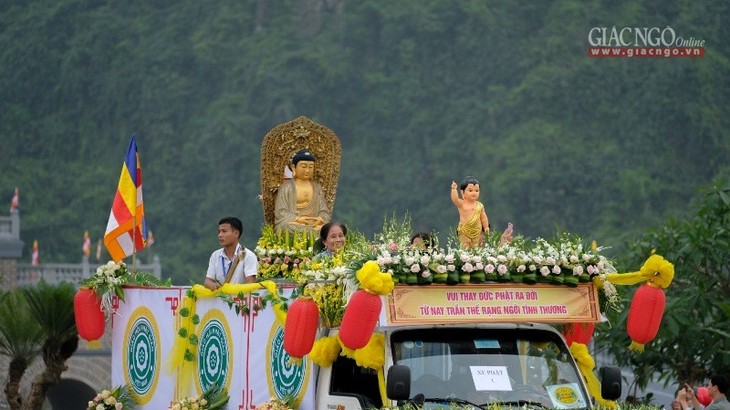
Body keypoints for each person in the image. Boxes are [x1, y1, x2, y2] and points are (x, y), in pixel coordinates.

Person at [274, 149, 331, 232]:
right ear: (294, 167)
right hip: (294, 224)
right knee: (287, 228)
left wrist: (319, 219)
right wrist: (298, 219)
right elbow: (280, 212)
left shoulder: (317, 187)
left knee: (329, 229)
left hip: (314, 224)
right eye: (303, 166)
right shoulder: (286, 188)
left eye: (311, 167)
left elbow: (324, 211)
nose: (307, 170)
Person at [203, 217, 258, 290]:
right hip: (220, 299)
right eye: (219, 232)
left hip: (240, 300)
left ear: (236, 233)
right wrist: (213, 286)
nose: (220, 235)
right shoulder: (215, 255)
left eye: (224, 231)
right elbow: (207, 281)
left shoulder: (248, 255)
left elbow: (250, 283)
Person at [451, 176, 489, 248]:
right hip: (465, 231)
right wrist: (454, 189)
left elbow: (483, 217)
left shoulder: (480, 205)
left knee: (476, 247)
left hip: (477, 231)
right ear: (463, 192)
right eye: (470, 190)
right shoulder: (462, 204)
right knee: (465, 247)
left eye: (477, 191)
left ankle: (475, 258)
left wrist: (486, 227)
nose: (474, 193)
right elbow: (455, 199)